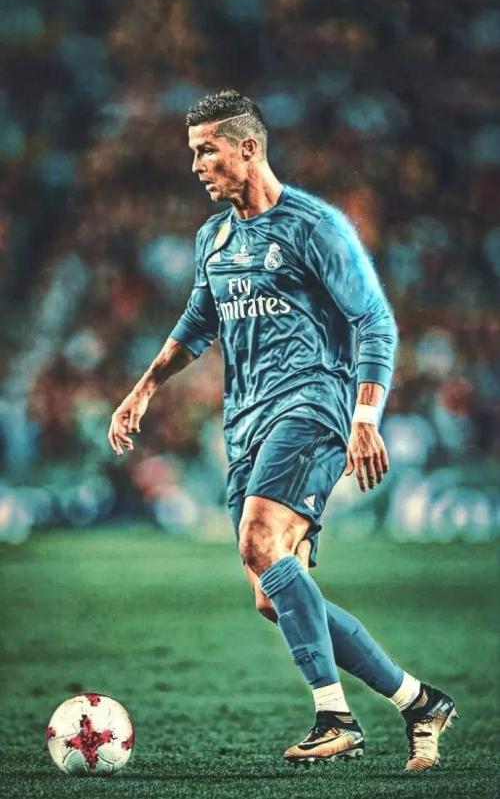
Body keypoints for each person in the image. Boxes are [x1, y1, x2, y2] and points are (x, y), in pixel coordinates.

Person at [108, 89, 457, 771]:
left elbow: (373, 322)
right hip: (244, 426)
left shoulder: (314, 228)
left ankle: (334, 717)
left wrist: (364, 418)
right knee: (273, 594)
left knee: (259, 538)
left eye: (206, 150)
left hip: (313, 407)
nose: (196, 165)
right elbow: (197, 324)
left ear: (248, 148)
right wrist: (143, 389)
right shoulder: (213, 239)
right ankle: (419, 701)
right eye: (192, 152)